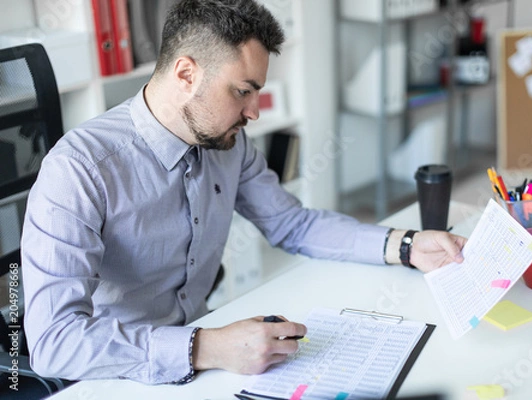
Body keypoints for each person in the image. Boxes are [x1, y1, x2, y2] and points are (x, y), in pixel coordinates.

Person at [21, 0, 467, 385]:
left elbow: (293, 224)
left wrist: (406, 245)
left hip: (204, 352)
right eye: (242, 92)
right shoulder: (80, 171)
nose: (254, 112)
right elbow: (53, 342)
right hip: (118, 373)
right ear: (186, 74)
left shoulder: (227, 145)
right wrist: (206, 347)